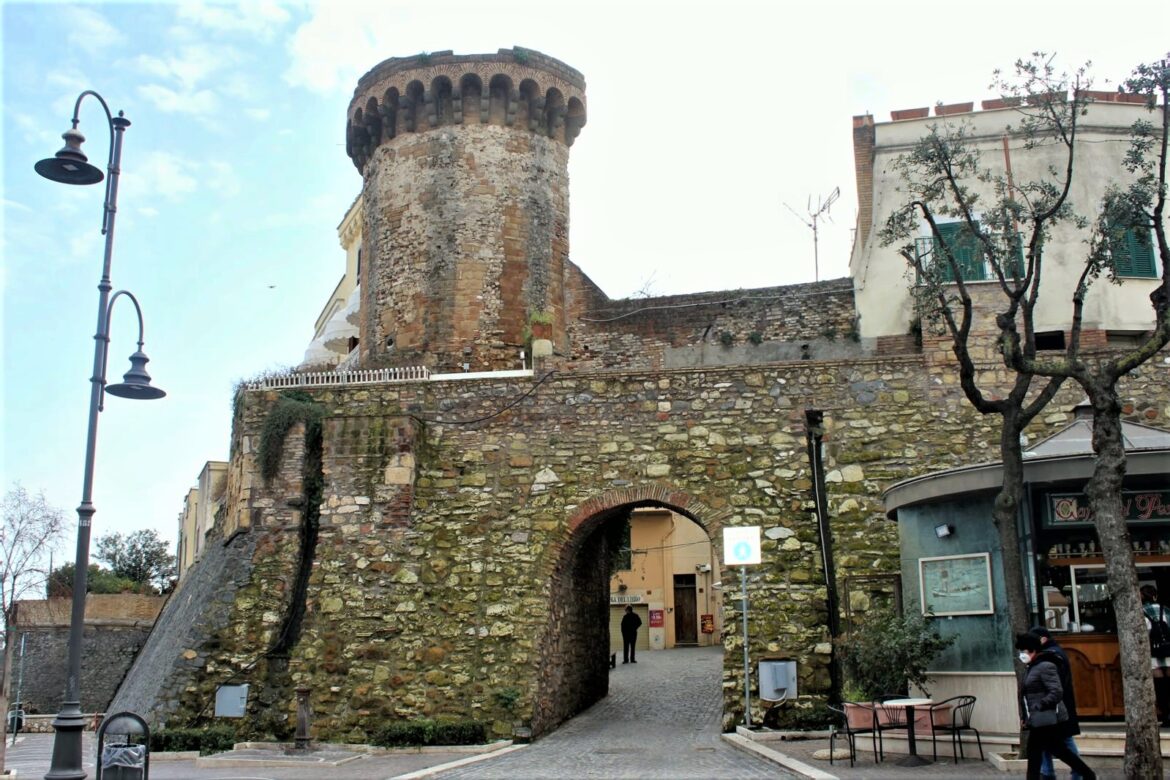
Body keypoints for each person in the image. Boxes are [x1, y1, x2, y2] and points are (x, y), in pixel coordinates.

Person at [1016, 633, 1095, 780]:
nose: (1022, 654)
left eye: (1024, 651)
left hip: (1046, 718)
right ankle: (1087, 774)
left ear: (1033, 650)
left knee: (1052, 751)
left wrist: (1042, 705)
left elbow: (1056, 691)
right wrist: (1025, 717)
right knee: (1041, 752)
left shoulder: (1045, 666)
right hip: (1037, 719)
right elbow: (1026, 695)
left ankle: (1087, 774)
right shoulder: (1031, 667)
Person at [1029, 626, 1082, 780]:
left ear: (1043, 639)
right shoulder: (1051, 653)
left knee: (1065, 739)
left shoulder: (1051, 656)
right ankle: (1048, 773)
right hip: (1053, 707)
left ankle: (1076, 772)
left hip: (1055, 707)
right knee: (1046, 739)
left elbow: (1052, 686)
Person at [1140, 584, 1170, 725]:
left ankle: (1166, 714)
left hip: (1153, 651)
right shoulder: (1166, 610)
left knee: (1159, 685)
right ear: (1155, 596)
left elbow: (1143, 634)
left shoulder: (1142, 612)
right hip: (1169, 650)